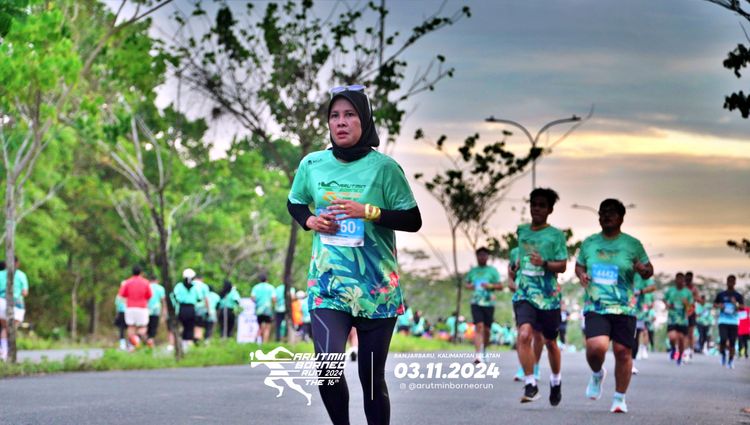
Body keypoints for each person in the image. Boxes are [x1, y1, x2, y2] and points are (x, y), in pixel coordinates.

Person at [287, 84, 421, 425]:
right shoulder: (312, 164)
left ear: (364, 120)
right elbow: (295, 202)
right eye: (334, 116)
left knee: (371, 380)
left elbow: (412, 219)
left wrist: (368, 212)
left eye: (349, 115)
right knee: (327, 369)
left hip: (376, 289)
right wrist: (310, 220)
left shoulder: (385, 168)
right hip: (328, 286)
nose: (341, 122)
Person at [575, 199, 653, 414]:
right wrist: (581, 274)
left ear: (621, 218)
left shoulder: (632, 244)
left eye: (611, 212)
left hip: (624, 308)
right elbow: (579, 265)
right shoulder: (589, 243)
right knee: (595, 348)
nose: (606, 216)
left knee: (622, 352)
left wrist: (642, 269)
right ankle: (597, 373)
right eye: (602, 212)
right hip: (596, 306)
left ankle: (619, 398)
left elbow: (648, 270)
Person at [511, 188, 568, 405]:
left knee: (550, 342)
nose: (536, 208)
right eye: (534, 204)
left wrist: (543, 263)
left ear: (550, 210)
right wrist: (517, 264)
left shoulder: (556, 236)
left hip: (548, 297)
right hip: (525, 293)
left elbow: (562, 266)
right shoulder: (522, 231)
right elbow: (521, 254)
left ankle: (556, 380)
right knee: (524, 334)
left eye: (542, 205)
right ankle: (530, 383)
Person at [465, 246, 502, 364]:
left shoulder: (493, 271)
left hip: (489, 303)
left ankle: (484, 349)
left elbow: (500, 286)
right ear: (476, 257)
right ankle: (477, 355)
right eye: (479, 255)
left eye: (484, 255)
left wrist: (490, 286)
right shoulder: (473, 271)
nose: (482, 257)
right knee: (478, 326)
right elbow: (467, 284)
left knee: (487, 330)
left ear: (487, 257)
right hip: (476, 302)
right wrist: (471, 286)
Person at [714, 275, 745, 368]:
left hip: (734, 322)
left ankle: (731, 360)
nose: (730, 283)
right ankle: (723, 355)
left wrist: (735, 304)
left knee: (732, 342)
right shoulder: (721, 294)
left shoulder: (738, 295)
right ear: (727, 282)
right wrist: (720, 306)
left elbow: (742, 307)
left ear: (735, 283)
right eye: (729, 281)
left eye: (732, 281)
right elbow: (714, 304)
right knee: (723, 339)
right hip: (723, 321)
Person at [118, 266, 153, 349]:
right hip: (142, 307)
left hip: (130, 307)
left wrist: (127, 301)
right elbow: (149, 296)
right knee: (143, 327)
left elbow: (121, 295)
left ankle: (133, 344)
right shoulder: (145, 282)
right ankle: (139, 339)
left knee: (131, 327)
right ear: (141, 272)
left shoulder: (127, 282)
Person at [664, 272, 693, 365]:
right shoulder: (671, 290)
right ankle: (673, 348)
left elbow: (691, 308)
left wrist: (686, 304)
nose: (680, 281)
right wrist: (667, 305)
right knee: (672, 337)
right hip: (672, 318)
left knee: (681, 339)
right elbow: (664, 299)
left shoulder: (688, 292)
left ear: (684, 281)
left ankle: (680, 356)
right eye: (678, 279)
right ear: (675, 280)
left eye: (681, 279)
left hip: (683, 320)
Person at [172, 268, 202, 350]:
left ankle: (181, 344)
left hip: (182, 309)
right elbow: (199, 298)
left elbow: (174, 296)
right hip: (191, 309)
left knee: (182, 327)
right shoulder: (195, 286)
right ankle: (188, 345)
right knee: (190, 327)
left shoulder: (179, 286)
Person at [631, 274, 656, 371]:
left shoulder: (642, 275)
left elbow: (653, 287)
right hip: (624, 308)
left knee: (640, 333)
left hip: (640, 312)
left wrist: (640, 292)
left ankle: (639, 352)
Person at [0, 261, 24, 361]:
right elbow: (25, 292)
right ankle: (9, 352)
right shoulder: (20, 274)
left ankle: (4, 352)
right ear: (16, 263)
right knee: (11, 328)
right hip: (16, 303)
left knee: (4, 328)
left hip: (1, 301)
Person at [251, 273, 276, 343]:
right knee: (267, 328)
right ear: (267, 280)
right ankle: (265, 343)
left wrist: (258, 302)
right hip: (268, 310)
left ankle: (256, 341)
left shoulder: (256, 287)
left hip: (258, 310)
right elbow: (274, 299)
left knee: (260, 327)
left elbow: (252, 298)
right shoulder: (270, 287)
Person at [146, 275, 167, 348]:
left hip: (146, 308)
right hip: (156, 309)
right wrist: (164, 311)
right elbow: (163, 301)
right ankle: (150, 341)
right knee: (153, 326)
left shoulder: (147, 286)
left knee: (146, 326)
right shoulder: (160, 288)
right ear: (157, 280)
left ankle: (147, 341)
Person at [683, 271, 700, 363]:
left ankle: (690, 349)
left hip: (691, 312)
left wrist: (693, 296)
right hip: (682, 313)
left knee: (690, 333)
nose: (688, 279)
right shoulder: (682, 287)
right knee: (684, 333)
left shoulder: (694, 288)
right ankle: (685, 351)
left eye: (690, 278)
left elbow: (698, 299)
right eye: (687, 277)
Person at [114, 281, 128, 350]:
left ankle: (124, 343)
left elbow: (117, 305)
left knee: (122, 329)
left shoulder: (119, 295)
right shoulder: (128, 294)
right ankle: (124, 343)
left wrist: (117, 314)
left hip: (123, 312)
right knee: (127, 329)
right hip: (126, 312)